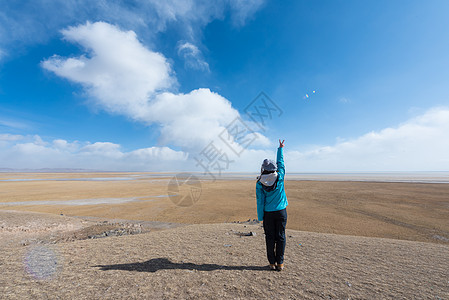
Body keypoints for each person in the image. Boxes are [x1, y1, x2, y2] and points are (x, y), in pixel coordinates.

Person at [256, 139, 288, 271]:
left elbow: (260, 201)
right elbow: (281, 163)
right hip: (281, 212)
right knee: (280, 236)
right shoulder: (280, 177)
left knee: (269, 238)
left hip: (268, 214)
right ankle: (280, 263)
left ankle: (271, 263)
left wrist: (260, 217)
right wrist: (280, 149)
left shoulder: (259, 183)